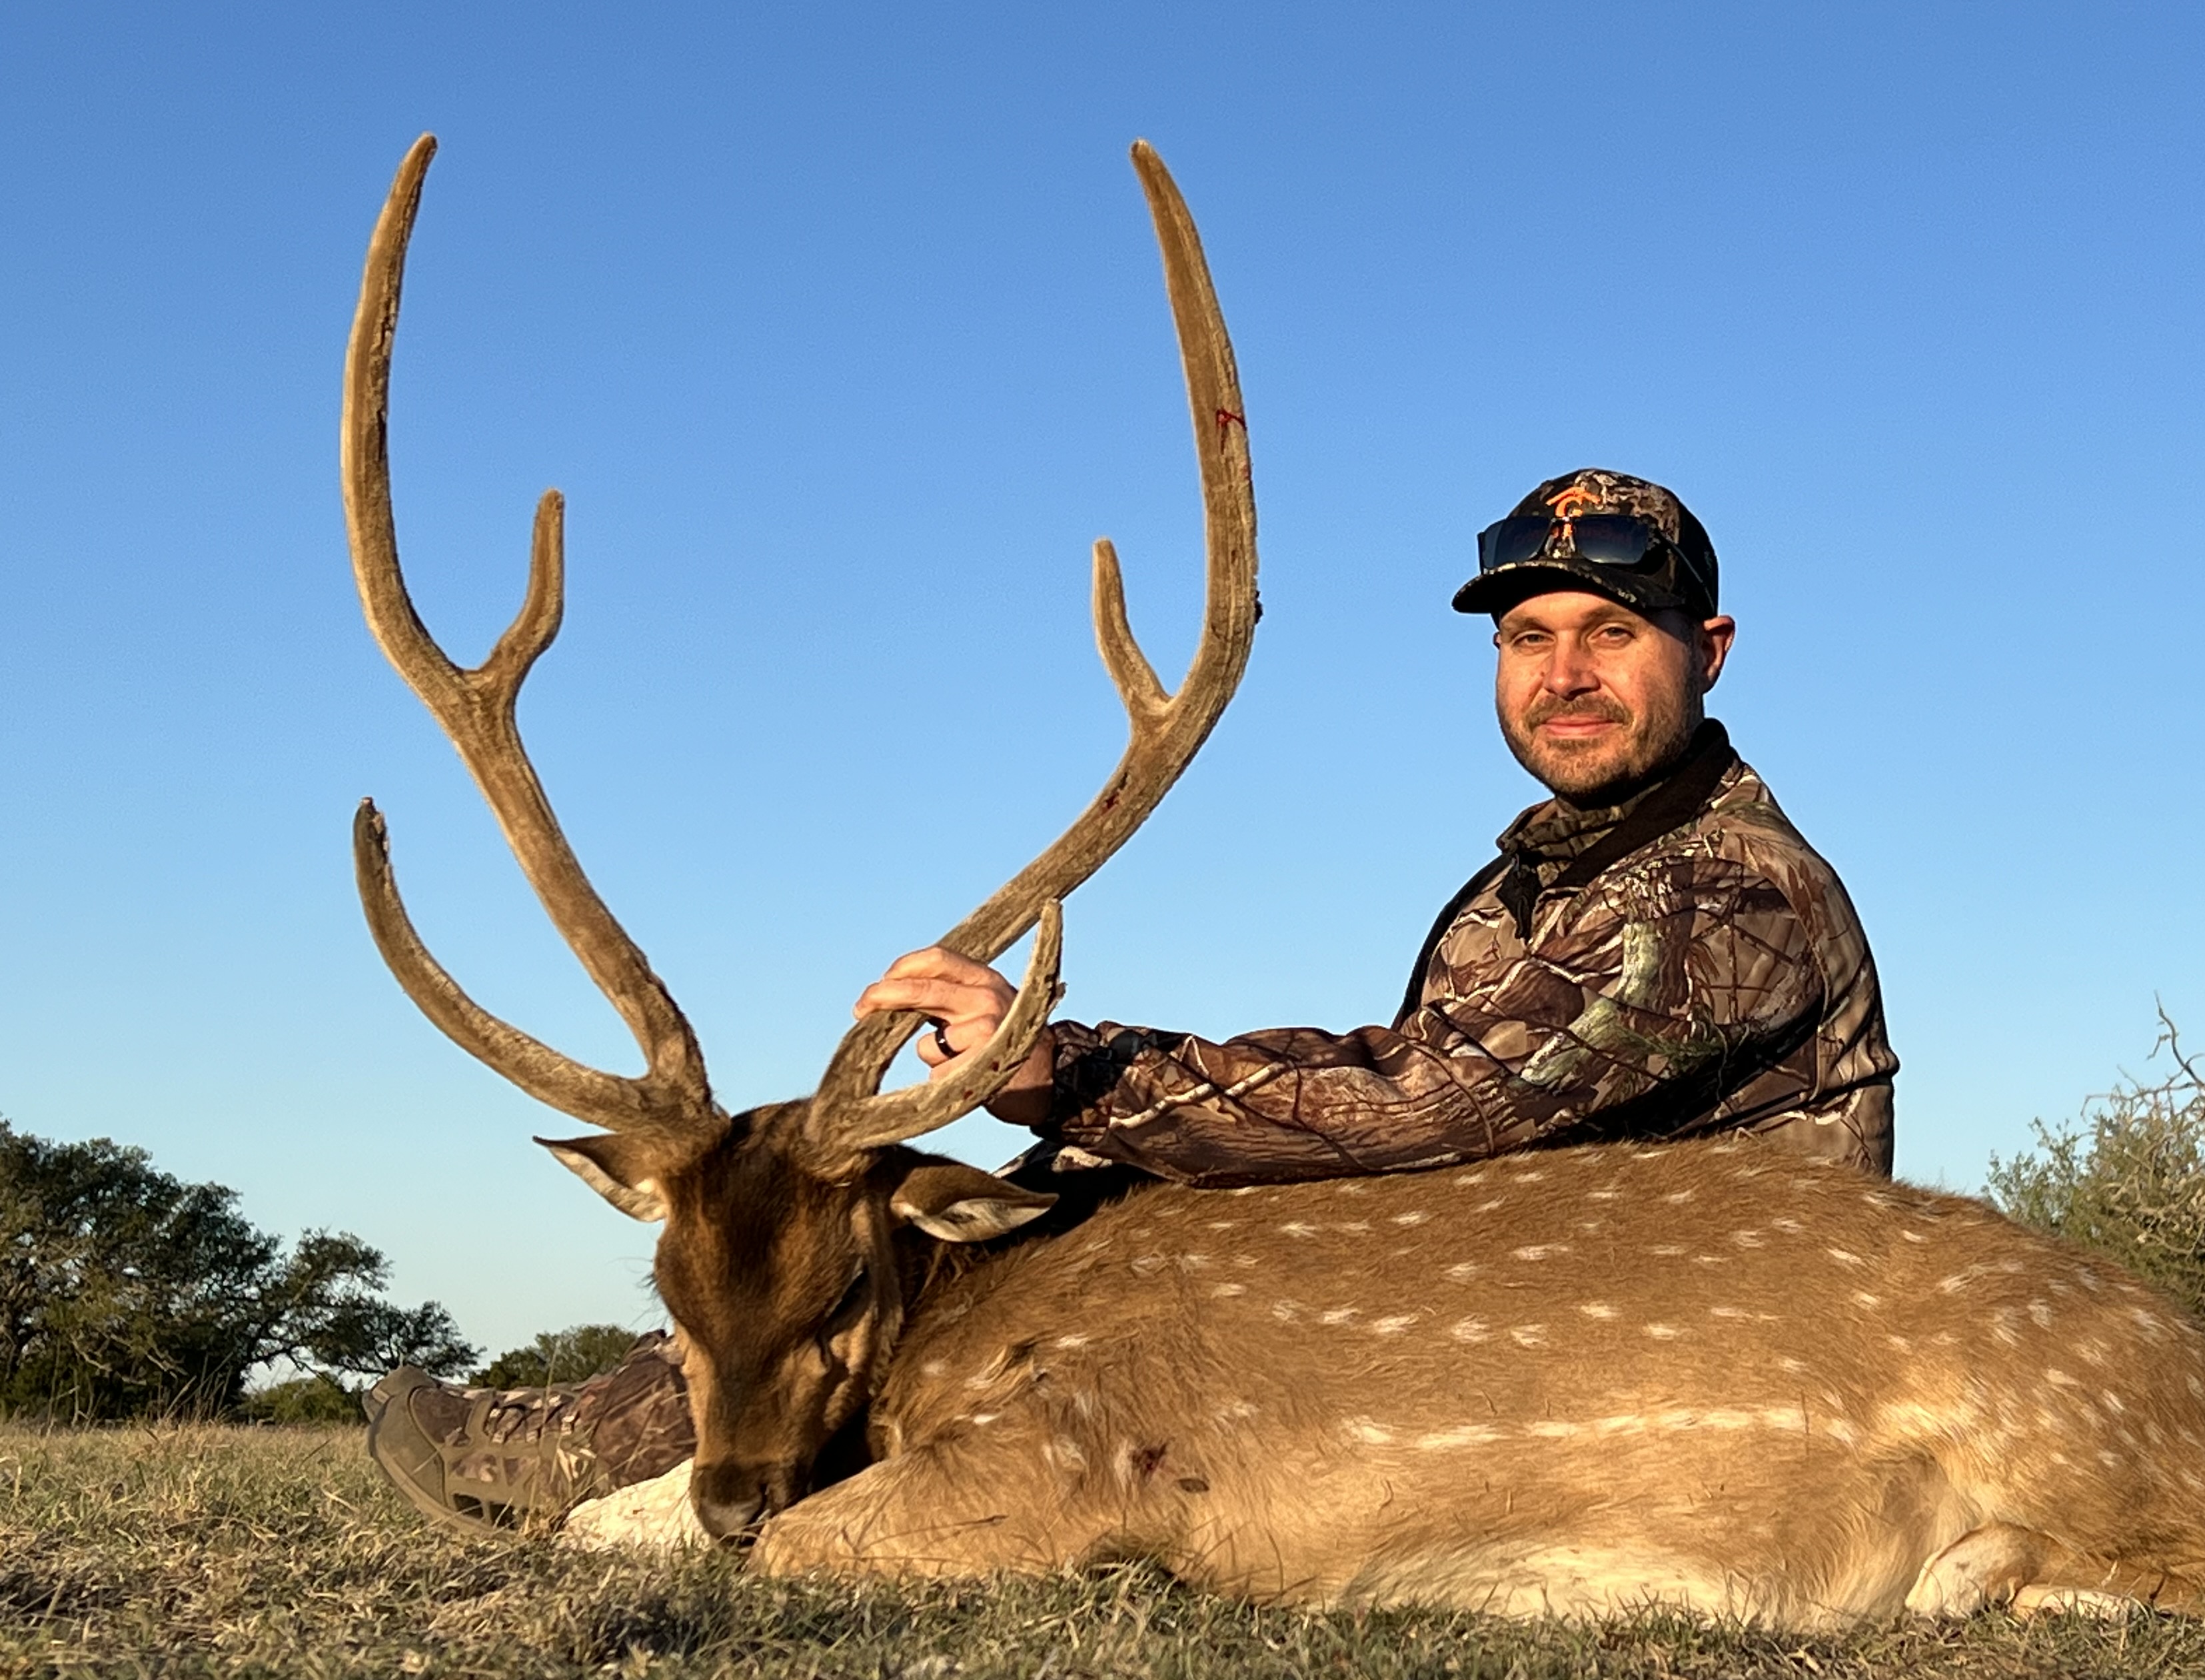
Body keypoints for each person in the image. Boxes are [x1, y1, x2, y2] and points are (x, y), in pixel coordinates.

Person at [363, 468, 1896, 1527]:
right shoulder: (1547, 876)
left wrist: (1066, 1071)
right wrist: (1084, 1088)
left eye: (1612, 634)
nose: (1564, 674)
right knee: (1014, 1188)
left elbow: (1435, 1109)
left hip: (1694, 1362)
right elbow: (1405, 1069)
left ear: (1707, 652)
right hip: (1531, 1301)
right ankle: (653, 1433)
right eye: (1529, 637)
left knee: (1074, 1195)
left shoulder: (1730, 888)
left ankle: (583, 1453)